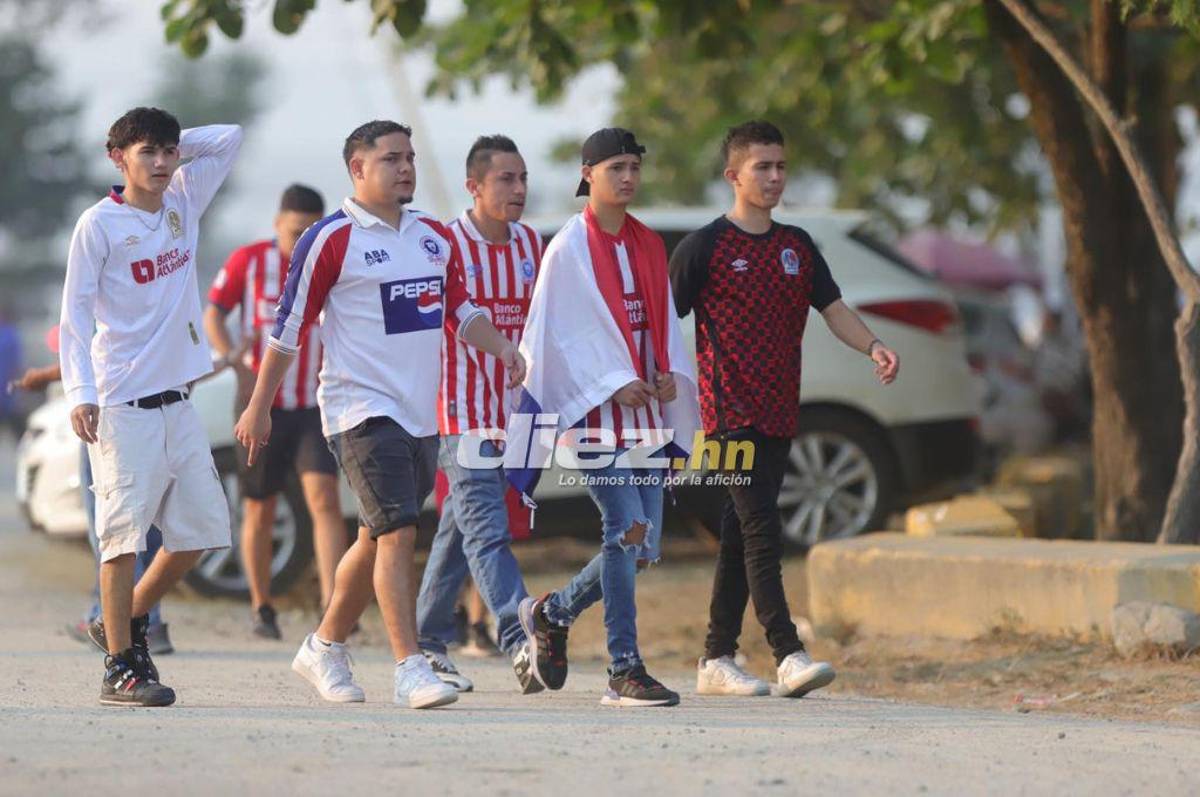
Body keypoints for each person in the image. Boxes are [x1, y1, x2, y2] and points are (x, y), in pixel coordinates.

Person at [234, 120, 525, 710]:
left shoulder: (433, 237)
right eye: (392, 158)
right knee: (398, 531)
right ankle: (410, 666)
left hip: (422, 413)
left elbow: (460, 310)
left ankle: (324, 644)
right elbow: (288, 329)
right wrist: (259, 406)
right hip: (360, 410)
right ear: (358, 170)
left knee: (373, 532)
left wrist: (503, 349)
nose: (406, 167)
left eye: (410, 157)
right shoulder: (329, 238)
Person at [669, 120, 898, 698]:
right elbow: (662, 322)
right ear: (733, 176)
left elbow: (834, 308)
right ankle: (786, 652)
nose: (774, 178)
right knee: (761, 527)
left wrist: (873, 345)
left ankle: (716, 658)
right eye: (761, 168)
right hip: (727, 410)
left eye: (780, 167)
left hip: (779, 408)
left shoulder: (796, 245)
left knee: (738, 534)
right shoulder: (703, 248)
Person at [510, 128, 700, 707]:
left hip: (645, 415)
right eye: (616, 166)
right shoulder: (568, 247)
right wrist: (613, 384)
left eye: (635, 166)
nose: (628, 177)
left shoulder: (645, 242)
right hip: (592, 418)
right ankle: (624, 670)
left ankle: (552, 612)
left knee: (641, 549)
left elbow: (661, 322)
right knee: (625, 531)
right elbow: (555, 338)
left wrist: (668, 375)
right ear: (587, 174)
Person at [59, 107, 241, 706]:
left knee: (200, 533)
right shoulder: (99, 225)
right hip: (122, 406)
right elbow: (75, 316)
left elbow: (228, 138)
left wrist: (169, 140)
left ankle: (122, 621)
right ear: (117, 159)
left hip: (179, 403)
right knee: (122, 541)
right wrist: (80, 393)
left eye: (167, 152)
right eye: (147, 153)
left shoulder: (181, 201)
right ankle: (120, 666)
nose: (162, 163)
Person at [414, 134, 543, 693]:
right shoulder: (444, 245)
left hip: (517, 416)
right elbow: (442, 318)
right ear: (474, 186)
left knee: (457, 530)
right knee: (487, 529)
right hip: (460, 412)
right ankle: (521, 640)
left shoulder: (533, 244)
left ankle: (422, 641)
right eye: (504, 180)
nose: (517, 190)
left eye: (522, 179)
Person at [205, 184, 346, 639]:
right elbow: (214, 314)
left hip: (313, 405)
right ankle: (262, 605)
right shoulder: (249, 262)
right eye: (294, 231)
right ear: (277, 224)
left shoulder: (333, 261)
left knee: (325, 500)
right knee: (260, 506)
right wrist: (234, 360)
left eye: (311, 230)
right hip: (260, 404)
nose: (302, 238)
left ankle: (333, 607)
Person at [12, 356, 172, 652]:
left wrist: (45, 374)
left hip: (111, 417)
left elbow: (99, 354)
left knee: (113, 533)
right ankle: (120, 618)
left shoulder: (116, 308)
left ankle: (135, 625)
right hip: (156, 416)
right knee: (145, 531)